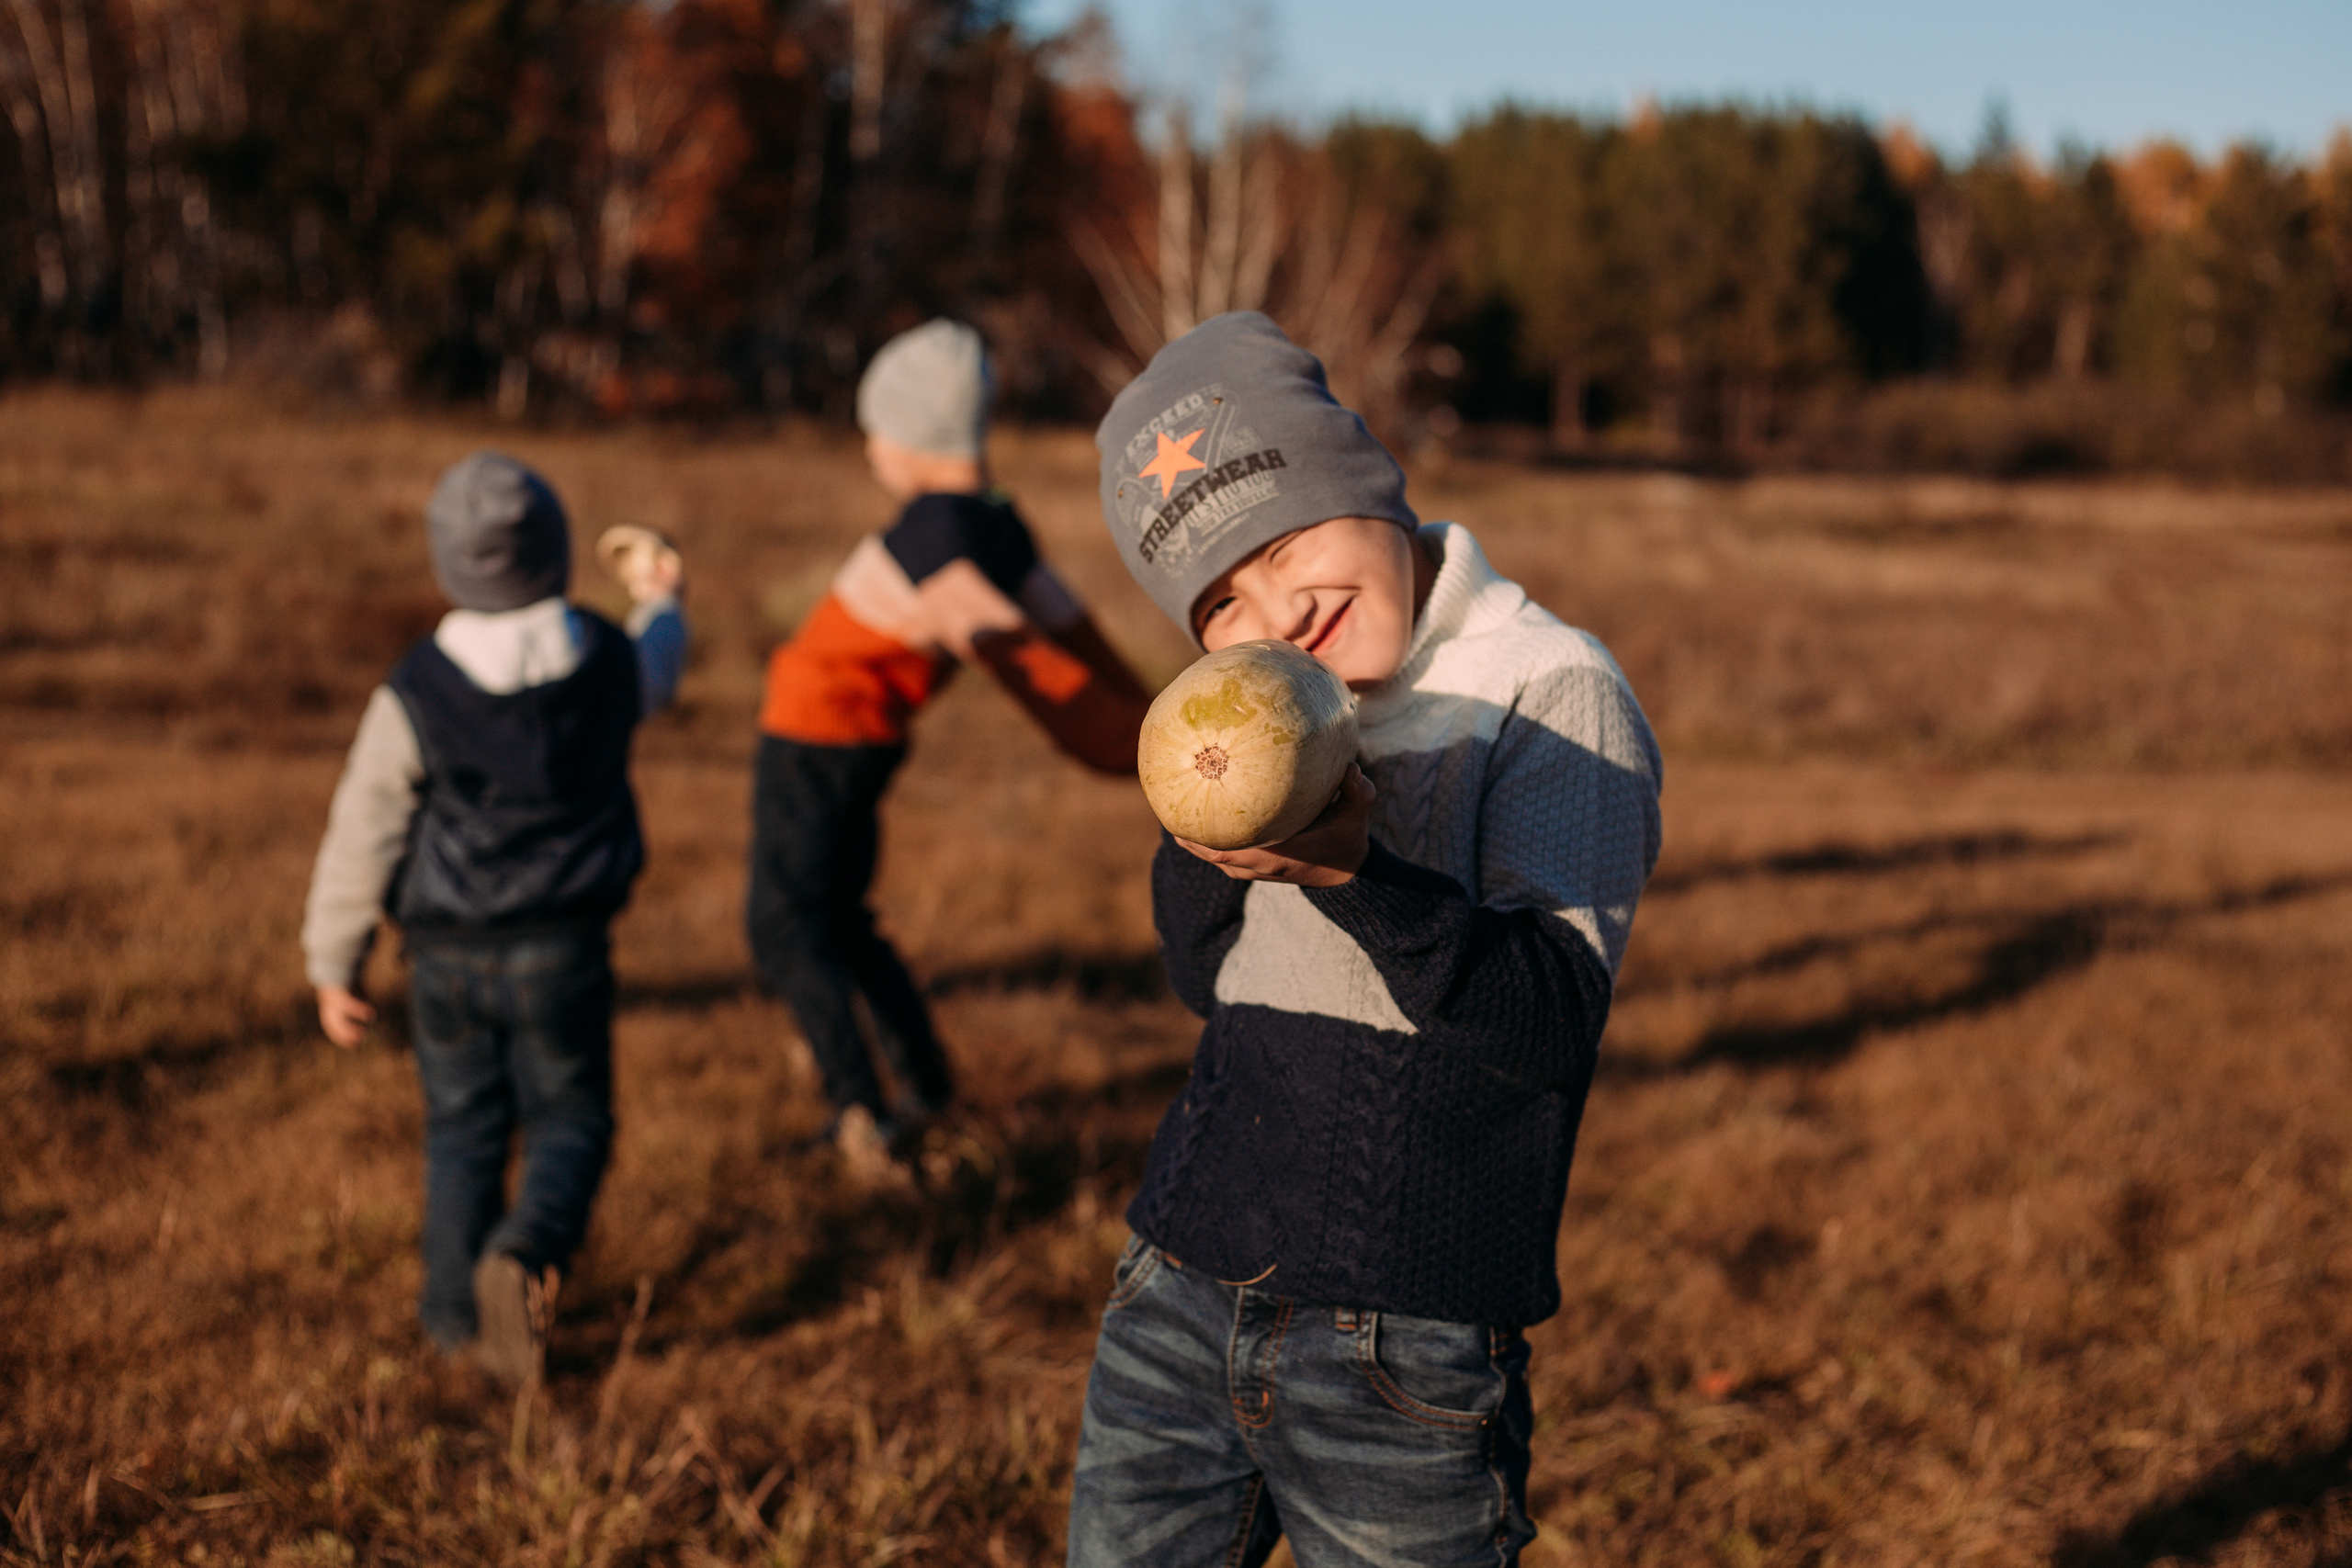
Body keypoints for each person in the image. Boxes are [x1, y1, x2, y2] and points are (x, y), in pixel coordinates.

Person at [1067, 312, 1663, 1565]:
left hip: (1407, 1337)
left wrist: (1356, 873)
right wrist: (1198, 843)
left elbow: (1548, 1024)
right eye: (1219, 603)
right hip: (1177, 1288)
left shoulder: (1549, 689)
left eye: (1286, 543)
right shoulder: (1258, 730)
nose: (1275, 609)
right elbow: (1206, 980)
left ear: (1372, 487)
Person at [300, 452, 687, 1384]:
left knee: (461, 1130)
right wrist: (663, 600)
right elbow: (659, 668)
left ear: (448, 563)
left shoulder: (417, 688)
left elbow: (364, 827)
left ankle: (450, 1324)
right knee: (572, 1117)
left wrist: (332, 959)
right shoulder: (607, 658)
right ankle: (525, 1249)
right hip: (566, 948)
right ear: (558, 551)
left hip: (445, 955)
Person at [749, 319, 1150, 1171]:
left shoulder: (930, 534)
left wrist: (1144, 748)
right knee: (842, 920)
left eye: (876, 432)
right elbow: (1074, 634)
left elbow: (1012, 647)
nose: (870, 451)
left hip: (814, 740)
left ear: (913, 436)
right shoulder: (1000, 523)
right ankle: (927, 1089)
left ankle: (860, 1111)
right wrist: (1152, 715)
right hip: (857, 742)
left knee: (785, 927)